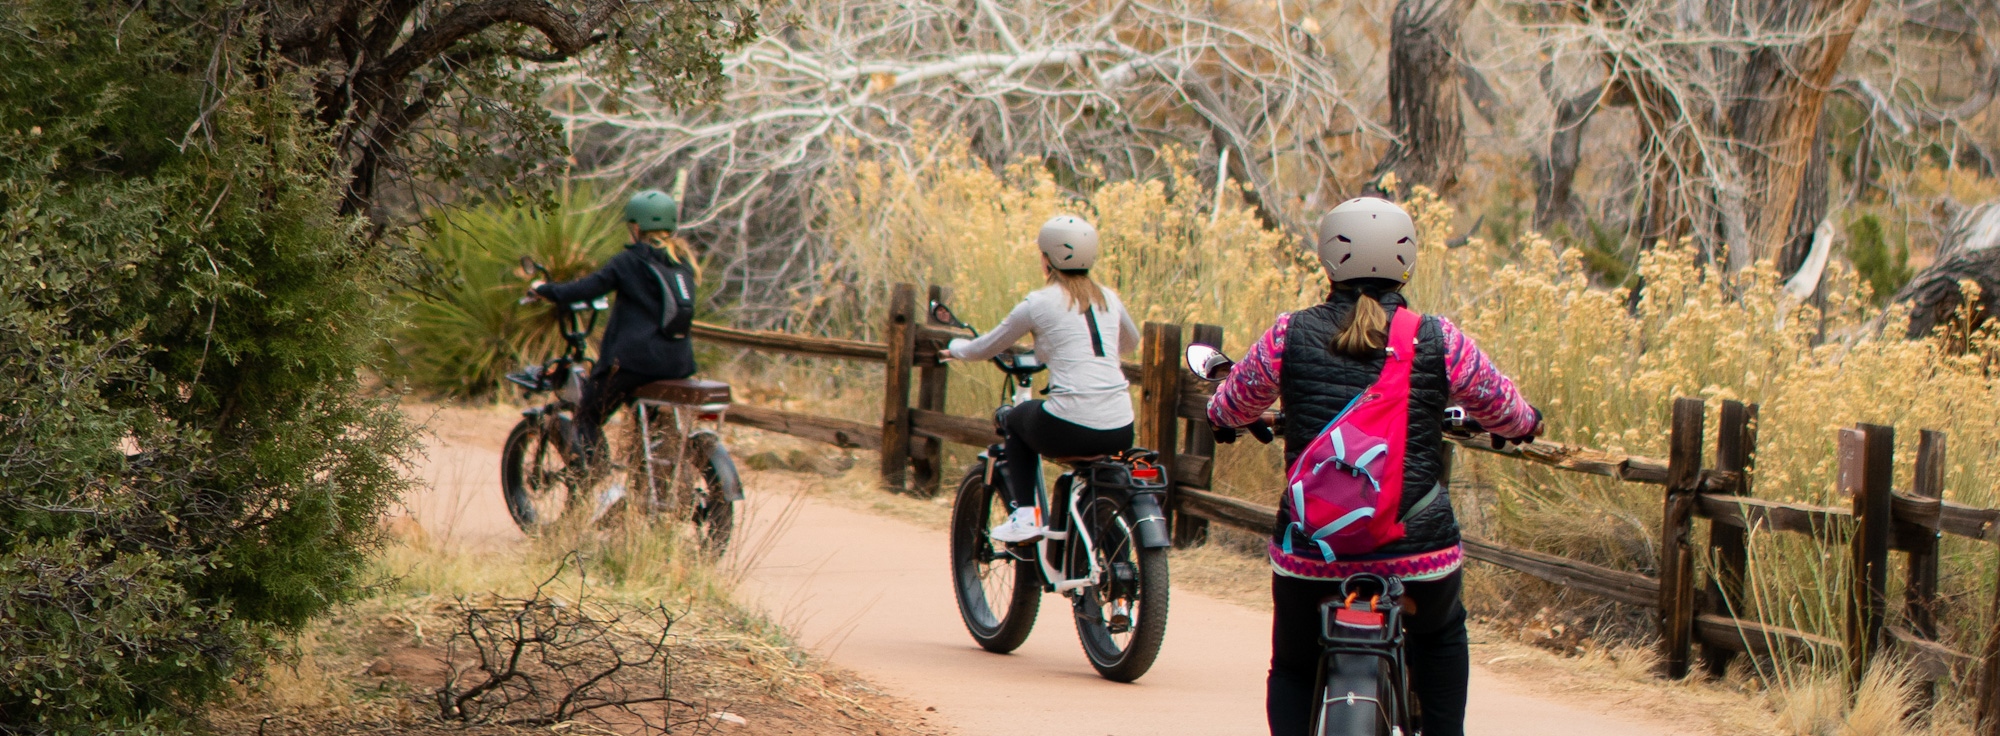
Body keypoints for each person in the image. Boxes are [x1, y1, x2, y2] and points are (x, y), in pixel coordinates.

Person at [1205, 197, 1541, 736]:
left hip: (1313, 548)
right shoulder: (1440, 338)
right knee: (1443, 638)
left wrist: (1224, 414)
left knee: (1290, 664)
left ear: (1328, 259)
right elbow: (1504, 409)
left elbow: (1231, 404)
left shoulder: (1288, 334)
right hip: (1416, 551)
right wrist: (1526, 424)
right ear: (1407, 260)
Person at [940, 215, 1141, 544]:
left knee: (1015, 418)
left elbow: (986, 346)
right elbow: (1130, 343)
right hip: (1121, 427)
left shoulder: (1038, 303)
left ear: (1047, 259)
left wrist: (955, 348)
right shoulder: (1108, 298)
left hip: (1070, 427)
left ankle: (1025, 517)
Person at [528, 189, 702, 467]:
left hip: (633, 365)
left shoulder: (629, 261)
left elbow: (585, 289)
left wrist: (544, 289)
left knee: (588, 416)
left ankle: (595, 477)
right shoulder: (683, 263)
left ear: (635, 227)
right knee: (652, 426)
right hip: (678, 364)